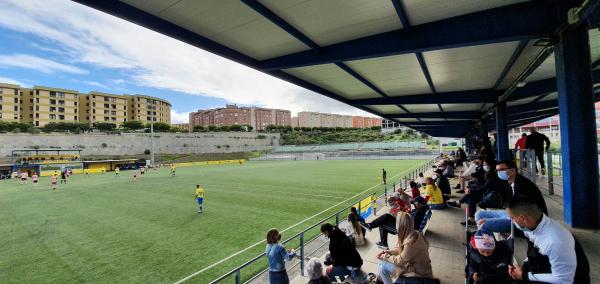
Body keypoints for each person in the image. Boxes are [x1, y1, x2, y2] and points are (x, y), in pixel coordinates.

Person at [507, 200, 589, 283]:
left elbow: (563, 280)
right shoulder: (532, 225)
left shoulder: (555, 241)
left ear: (523, 218)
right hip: (546, 269)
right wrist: (522, 268)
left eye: (512, 218)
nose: (511, 220)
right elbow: (534, 249)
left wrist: (524, 275)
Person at [475, 160, 547, 233]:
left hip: (526, 219)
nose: (499, 173)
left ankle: (487, 241)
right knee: (479, 214)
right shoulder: (510, 182)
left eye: (502, 170)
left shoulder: (523, 185)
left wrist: (508, 215)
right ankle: (487, 238)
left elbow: (521, 212)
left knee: (484, 224)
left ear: (512, 171)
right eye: (497, 170)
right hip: (512, 214)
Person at [376, 212, 433, 284]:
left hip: (419, 275)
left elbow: (400, 261)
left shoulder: (411, 243)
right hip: (418, 269)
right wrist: (388, 252)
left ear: (401, 225)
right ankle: (380, 279)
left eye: (396, 222)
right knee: (382, 265)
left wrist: (384, 256)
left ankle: (380, 280)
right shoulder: (415, 233)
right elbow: (400, 249)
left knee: (382, 266)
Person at [447, 160, 508, 226]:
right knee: (471, 197)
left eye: (486, 164)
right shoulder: (491, 174)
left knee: (471, 194)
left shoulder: (494, 175)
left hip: (497, 199)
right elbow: (484, 186)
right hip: (491, 195)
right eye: (484, 164)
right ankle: (471, 219)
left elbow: (485, 187)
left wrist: (471, 190)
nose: (485, 166)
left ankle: (459, 203)